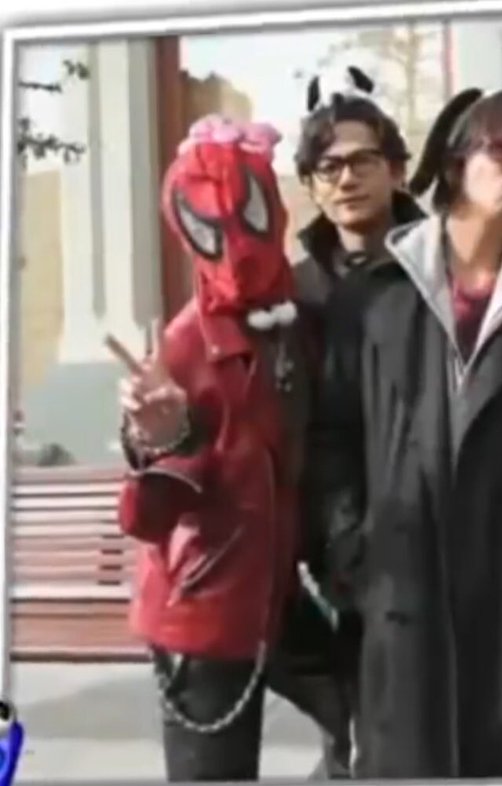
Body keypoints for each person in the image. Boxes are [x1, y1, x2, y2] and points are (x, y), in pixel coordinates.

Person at [307, 85, 502, 779]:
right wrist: (353, 557)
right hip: (404, 595)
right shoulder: (375, 296)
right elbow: (332, 441)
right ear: (454, 163)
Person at [113, 116, 323, 781]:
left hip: (278, 596)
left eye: (248, 215)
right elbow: (146, 517)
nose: (234, 246)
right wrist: (161, 437)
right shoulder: (182, 347)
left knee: (365, 716)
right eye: (209, 227)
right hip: (203, 617)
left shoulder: (295, 322)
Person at [289, 65, 426, 779]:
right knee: (357, 734)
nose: (346, 178)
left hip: (437, 534)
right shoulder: (296, 289)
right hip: (341, 545)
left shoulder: (440, 267)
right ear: (311, 185)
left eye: (363, 160)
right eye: (328, 166)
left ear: (396, 170)